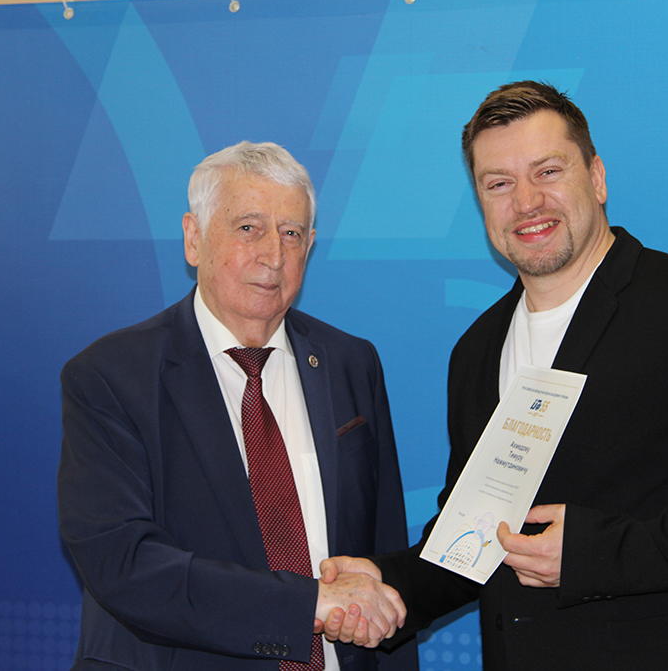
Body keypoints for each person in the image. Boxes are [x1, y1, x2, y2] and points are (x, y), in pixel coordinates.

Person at [319, 81, 668, 669]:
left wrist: (595, 555)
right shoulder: (477, 351)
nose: (526, 201)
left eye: (548, 172)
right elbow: (484, 532)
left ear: (597, 178)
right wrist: (389, 583)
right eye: (499, 184)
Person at [58, 141, 417, 671]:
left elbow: (383, 553)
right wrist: (307, 604)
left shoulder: (350, 362)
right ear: (194, 238)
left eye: (291, 233)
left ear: (310, 245)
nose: (273, 255)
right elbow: (122, 561)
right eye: (249, 228)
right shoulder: (111, 376)